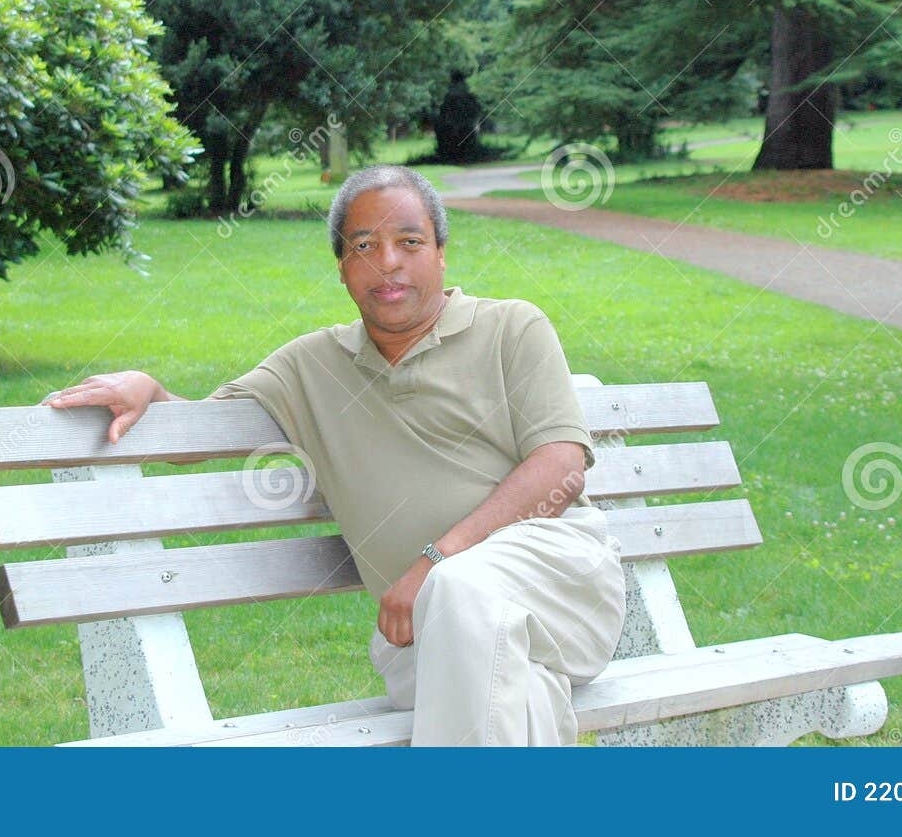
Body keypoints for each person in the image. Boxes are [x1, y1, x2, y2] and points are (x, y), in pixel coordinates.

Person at [43, 165, 627, 745]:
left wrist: (435, 562)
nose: (388, 262)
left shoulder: (511, 327)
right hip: (420, 637)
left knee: (460, 595)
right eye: (364, 246)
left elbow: (561, 465)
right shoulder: (311, 365)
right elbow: (196, 433)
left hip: (561, 585)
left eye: (409, 242)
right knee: (514, 691)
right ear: (343, 269)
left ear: (442, 253)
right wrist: (151, 388)